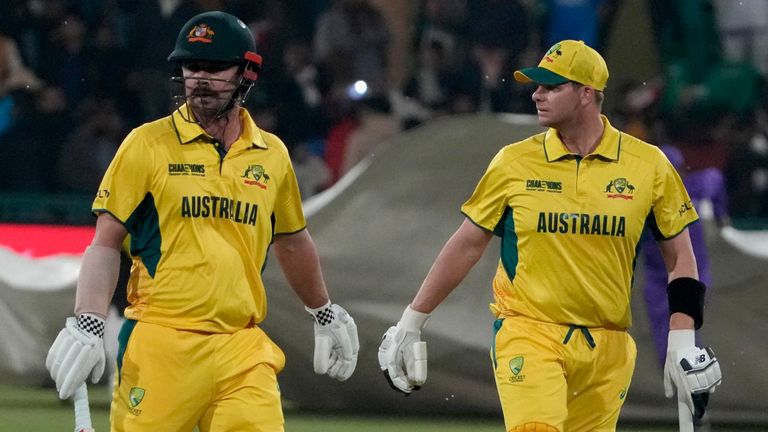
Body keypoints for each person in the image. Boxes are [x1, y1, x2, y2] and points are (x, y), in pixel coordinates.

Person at [378, 40, 722, 431]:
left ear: (586, 94)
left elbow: (681, 257)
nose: (537, 95)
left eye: (552, 86)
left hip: (607, 345)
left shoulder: (649, 165)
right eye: (537, 86)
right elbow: (467, 244)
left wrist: (682, 337)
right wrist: (411, 320)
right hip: (528, 332)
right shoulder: (514, 162)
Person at [45, 11, 359, 432]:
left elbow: (292, 241)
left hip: (243, 347)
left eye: (214, 68)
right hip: (160, 344)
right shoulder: (145, 145)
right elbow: (105, 242)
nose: (199, 78)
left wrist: (323, 310)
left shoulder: (272, 155)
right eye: (192, 67)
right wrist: (89, 319)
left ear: (247, 72)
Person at [642, 145, 730, 367]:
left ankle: (691, 374)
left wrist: (721, 214)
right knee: (669, 339)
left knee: (683, 330)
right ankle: (684, 376)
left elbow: (715, 177)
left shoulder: (694, 185)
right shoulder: (642, 199)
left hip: (692, 272)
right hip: (658, 278)